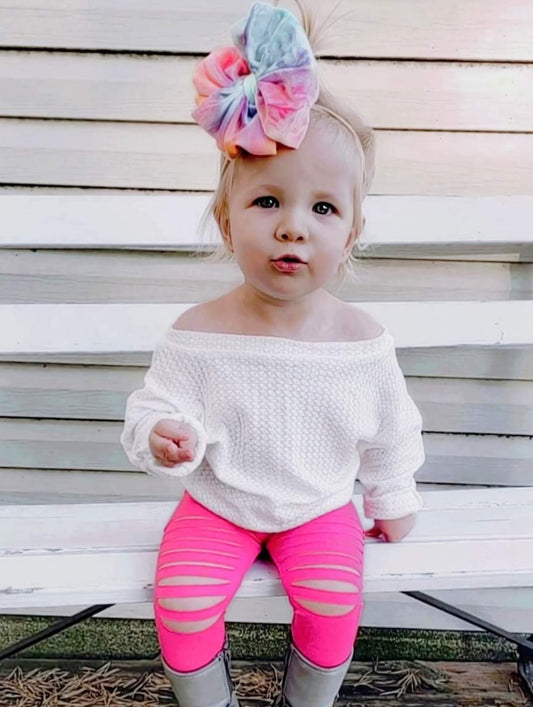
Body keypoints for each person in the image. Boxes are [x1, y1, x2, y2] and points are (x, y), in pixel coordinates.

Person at [120, 2, 426, 706]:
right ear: (227, 221)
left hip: (318, 504)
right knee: (182, 600)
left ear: (350, 234)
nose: (293, 227)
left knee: (333, 599)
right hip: (218, 501)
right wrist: (164, 432)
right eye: (267, 202)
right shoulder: (199, 331)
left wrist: (391, 497)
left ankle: (303, 700)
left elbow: (391, 429)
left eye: (323, 209)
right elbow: (154, 404)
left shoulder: (359, 341)